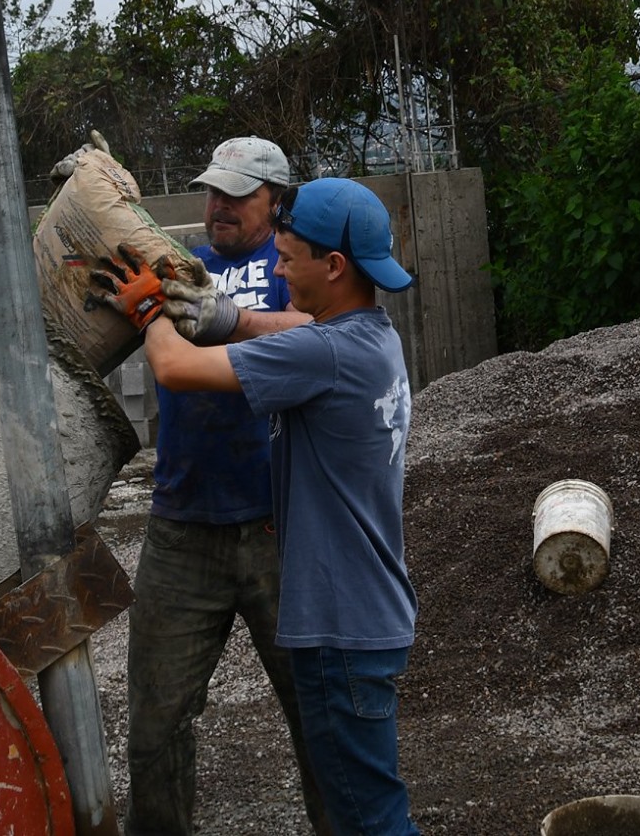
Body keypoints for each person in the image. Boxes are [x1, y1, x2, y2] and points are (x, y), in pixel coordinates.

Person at [102, 178, 420, 836]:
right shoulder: (373, 338)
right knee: (363, 798)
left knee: (370, 816)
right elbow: (277, 328)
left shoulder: (324, 353)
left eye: (288, 257)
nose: (276, 269)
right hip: (366, 613)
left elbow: (177, 371)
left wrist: (150, 310)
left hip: (339, 626)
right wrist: (230, 316)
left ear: (334, 266)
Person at [114, 137, 330, 836]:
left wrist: (228, 321)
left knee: (321, 717)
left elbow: (328, 332)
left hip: (279, 528)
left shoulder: (292, 271)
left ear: (276, 199)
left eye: (236, 194)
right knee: (154, 723)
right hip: (181, 525)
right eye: (211, 192)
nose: (217, 206)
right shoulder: (183, 270)